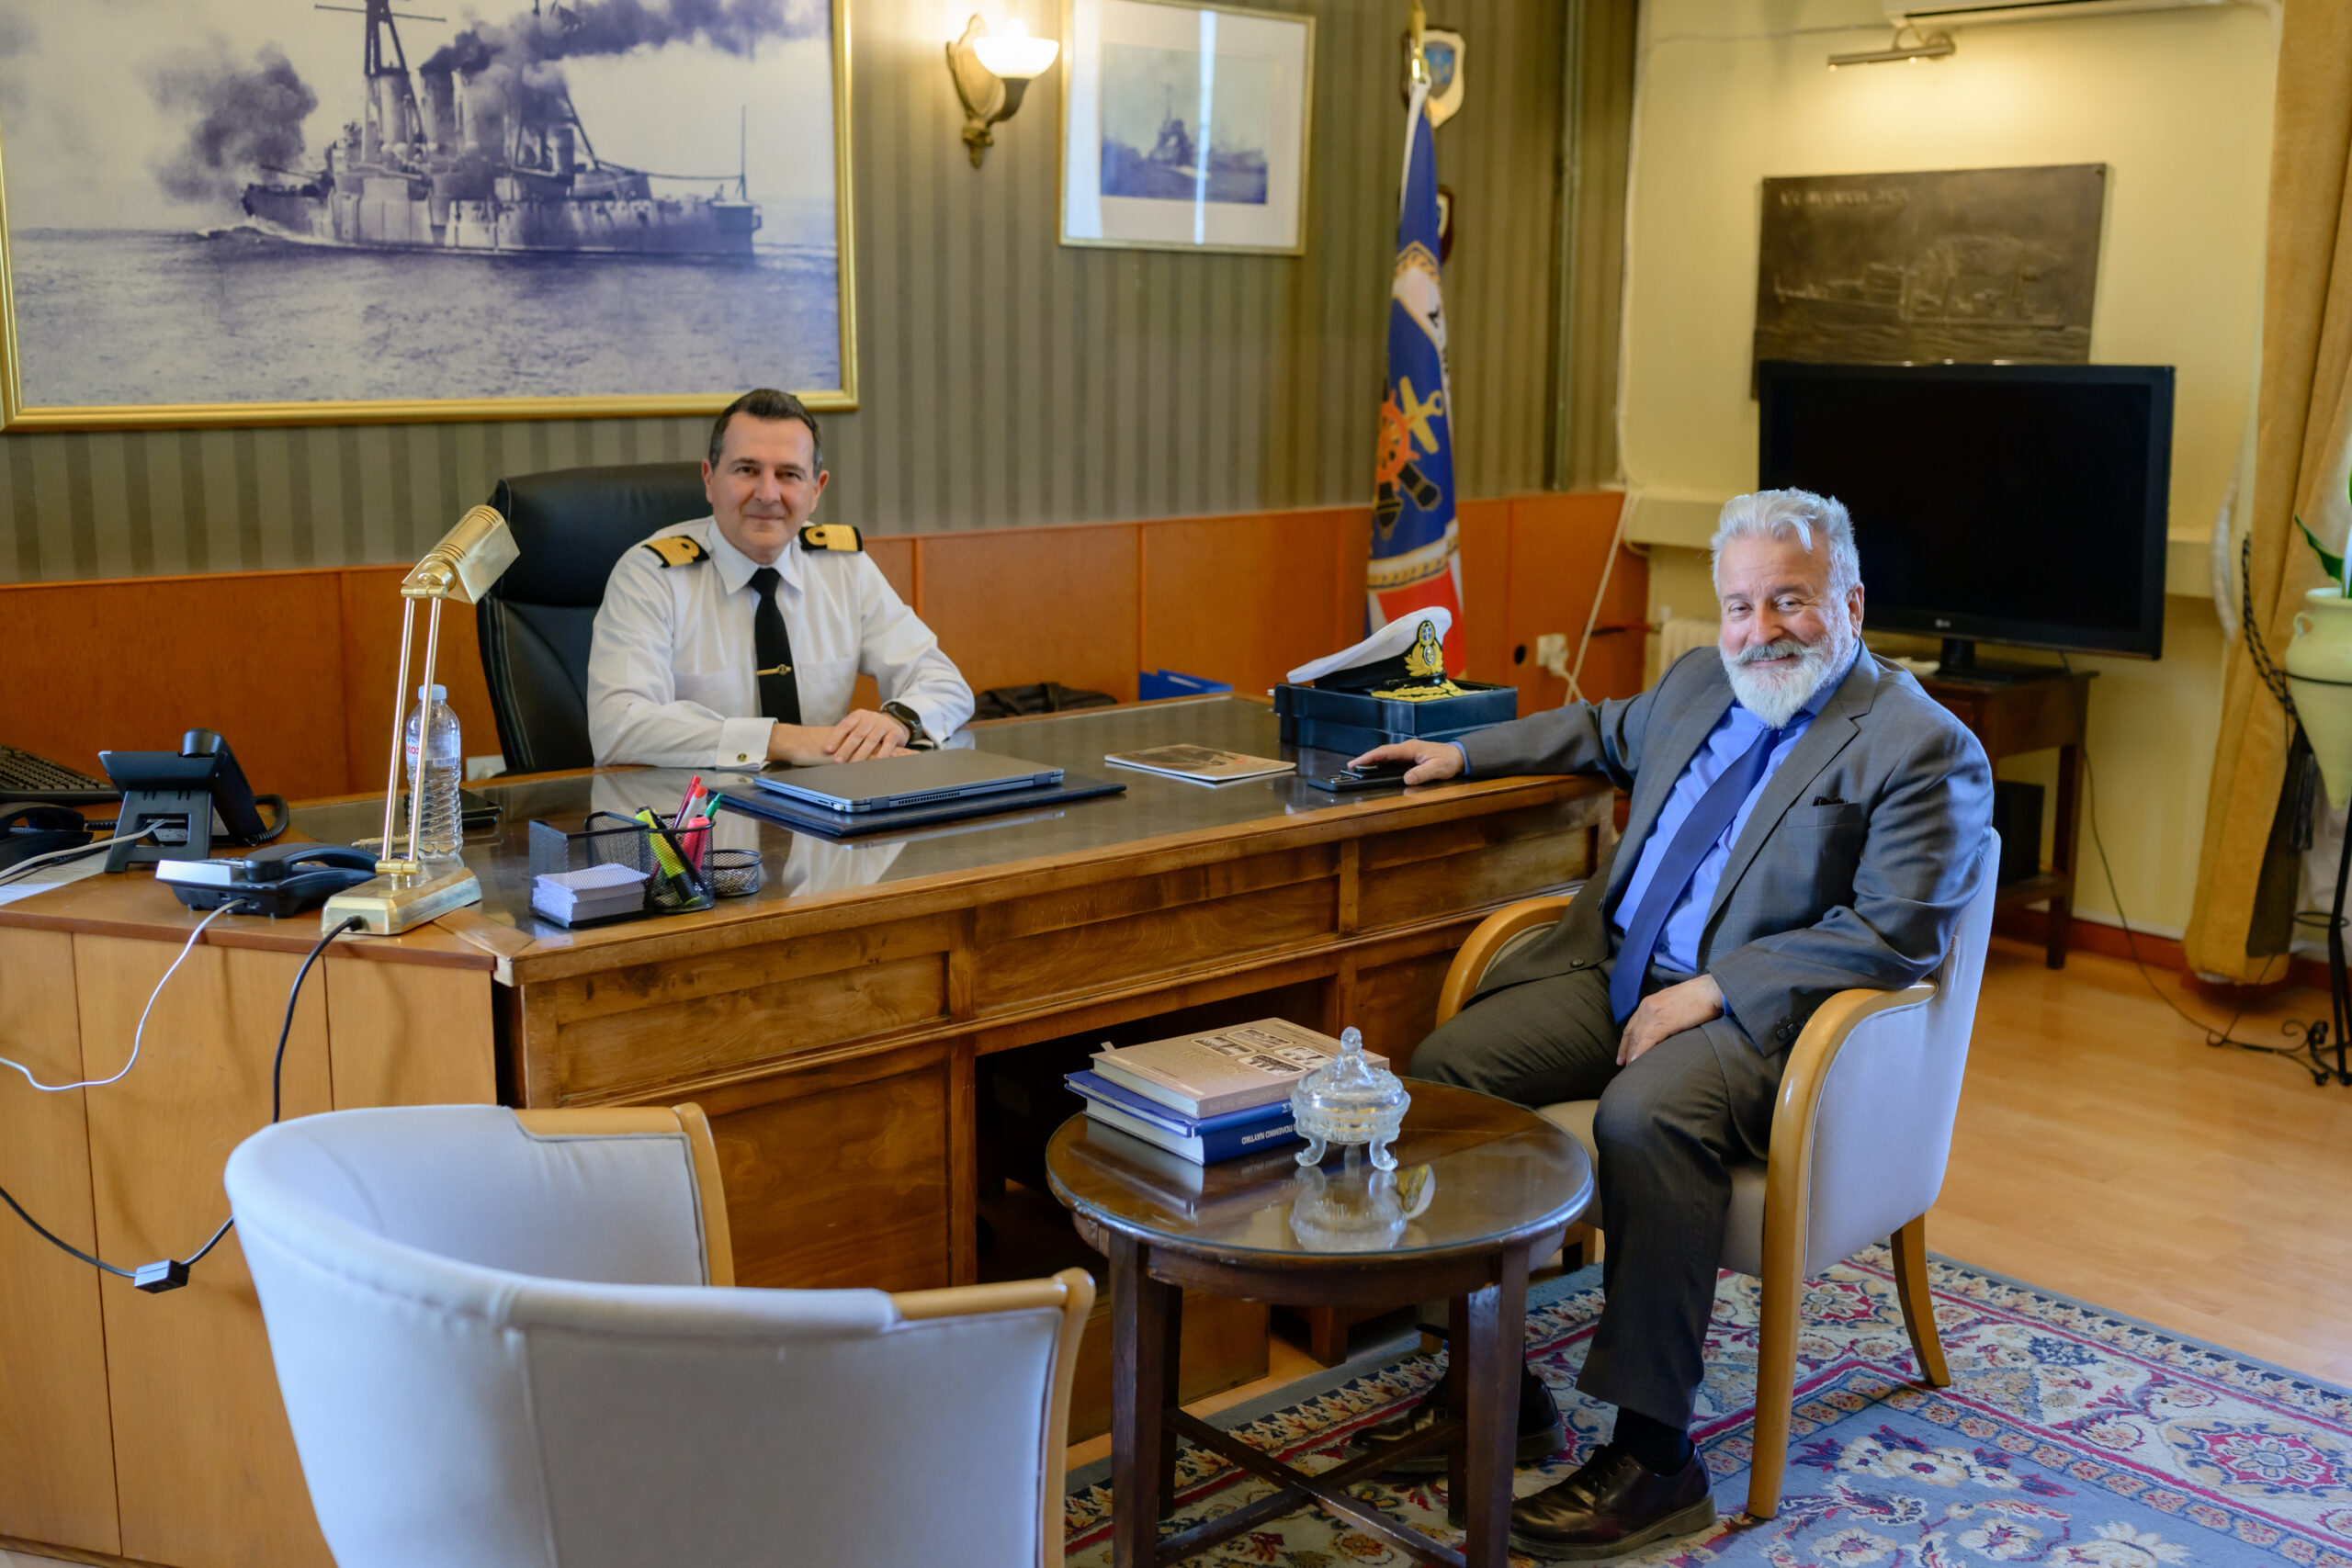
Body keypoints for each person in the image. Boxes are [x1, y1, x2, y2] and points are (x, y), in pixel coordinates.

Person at [1349, 489, 1994, 1562]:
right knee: (1447, 1069)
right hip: (1617, 973)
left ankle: (1656, 1461)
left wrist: (1717, 989)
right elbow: (1600, 729)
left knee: (1644, 1116)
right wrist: (1466, 754)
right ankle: (1490, 1389)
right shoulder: (1702, 679)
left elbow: (1894, 932)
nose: (1760, 630)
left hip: (1773, 1023)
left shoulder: (1921, 744)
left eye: (1789, 601)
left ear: (1849, 603)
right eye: (1740, 605)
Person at [587, 389, 975, 769]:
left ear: (816, 489)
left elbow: (946, 684)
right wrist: (781, 741)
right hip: (694, 807)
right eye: (747, 470)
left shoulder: (843, 566)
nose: (768, 494)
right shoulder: (650, 576)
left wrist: (898, 722)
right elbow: (617, 725)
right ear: (709, 479)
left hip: (825, 804)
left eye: (789, 474)